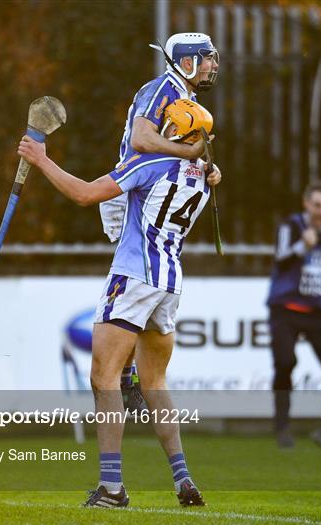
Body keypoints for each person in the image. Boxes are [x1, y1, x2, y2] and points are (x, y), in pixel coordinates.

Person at [18, 99, 222, 507]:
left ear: (174, 134)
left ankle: (112, 487)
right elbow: (208, 167)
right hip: (169, 283)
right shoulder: (203, 178)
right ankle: (183, 478)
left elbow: (85, 194)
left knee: (103, 378)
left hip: (133, 275)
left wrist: (41, 160)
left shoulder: (149, 165)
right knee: (155, 383)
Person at [101, 32, 219, 409]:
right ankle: (123, 374)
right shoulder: (160, 88)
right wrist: (187, 152)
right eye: (207, 58)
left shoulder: (186, 96)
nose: (213, 65)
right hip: (130, 190)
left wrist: (203, 166)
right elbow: (141, 139)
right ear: (187, 62)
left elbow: (181, 153)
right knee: (136, 279)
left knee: (147, 282)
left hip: (149, 189)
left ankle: (128, 373)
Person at [266, 180, 321, 449]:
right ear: (306, 203)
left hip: (318, 311)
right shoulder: (291, 226)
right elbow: (280, 260)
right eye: (317, 205)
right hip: (285, 309)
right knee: (285, 362)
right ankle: (282, 428)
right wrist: (302, 246)